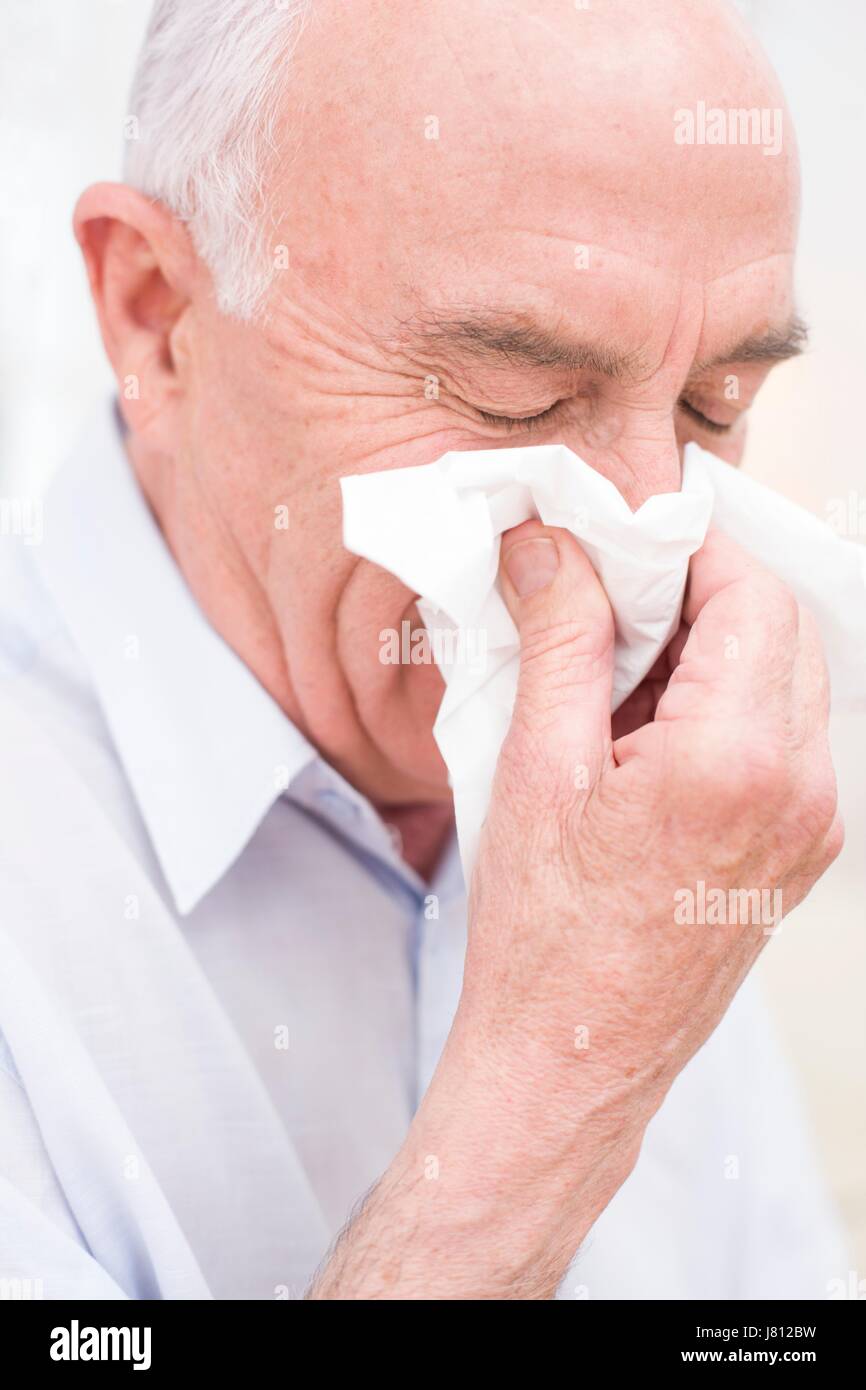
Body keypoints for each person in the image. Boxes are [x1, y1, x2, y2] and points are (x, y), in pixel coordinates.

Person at [0, 0, 847, 1299]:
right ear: (154, 311)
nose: (641, 527)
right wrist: (564, 1077)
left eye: (709, 405)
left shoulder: (667, 806)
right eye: (515, 394)